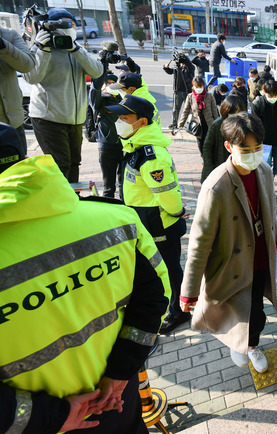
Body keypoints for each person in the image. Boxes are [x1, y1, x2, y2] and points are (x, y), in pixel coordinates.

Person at [0, 122, 170, 433]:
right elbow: (155, 296)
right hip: (117, 399)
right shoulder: (116, 220)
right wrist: (120, 374)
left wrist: (52, 416)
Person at [180, 113, 277, 374]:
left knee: (255, 312)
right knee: (242, 313)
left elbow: (271, 210)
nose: (253, 155)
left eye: (257, 148)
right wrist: (189, 290)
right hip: (231, 263)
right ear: (228, 147)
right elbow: (199, 242)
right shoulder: (216, 185)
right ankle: (244, 345)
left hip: (258, 258)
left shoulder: (265, 170)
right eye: (245, 149)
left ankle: (249, 344)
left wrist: (276, 239)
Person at [107, 95, 191, 335]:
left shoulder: (152, 156)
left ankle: (180, 312)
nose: (119, 122)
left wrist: (179, 212)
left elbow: (168, 194)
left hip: (160, 225)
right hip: (145, 222)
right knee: (156, 269)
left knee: (170, 269)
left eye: (125, 118)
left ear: (142, 122)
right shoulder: (135, 145)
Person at [24, 7, 103, 183]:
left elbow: (97, 71)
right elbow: (31, 77)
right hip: (48, 117)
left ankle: (72, 201)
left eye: (71, 23)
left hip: (74, 119)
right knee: (60, 164)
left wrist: (75, 49)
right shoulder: (41, 47)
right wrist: (42, 49)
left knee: (74, 163)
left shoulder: (77, 48)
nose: (69, 26)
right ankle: (59, 203)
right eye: (62, 23)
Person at [0, 23, 35, 153]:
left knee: (19, 171)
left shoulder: (9, 35)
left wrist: (3, 46)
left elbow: (28, 65)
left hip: (13, 125)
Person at [250, 79, 277, 176]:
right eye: (271, 95)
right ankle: (268, 183)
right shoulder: (257, 103)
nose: (273, 98)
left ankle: (271, 177)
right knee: (265, 167)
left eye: (276, 95)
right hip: (264, 142)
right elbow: (254, 124)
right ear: (264, 92)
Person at [89, 69, 123, 198]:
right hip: (106, 147)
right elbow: (94, 90)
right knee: (108, 186)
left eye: (112, 83)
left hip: (124, 145)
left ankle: (123, 211)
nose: (109, 86)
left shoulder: (122, 99)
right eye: (107, 83)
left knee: (124, 184)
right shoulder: (99, 101)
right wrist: (101, 69)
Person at [201, 95, 246, 182]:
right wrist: (209, 171)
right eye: (232, 113)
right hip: (219, 168)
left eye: (238, 113)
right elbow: (207, 148)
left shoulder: (244, 125)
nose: (235, 116)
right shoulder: (217, 125)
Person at [178, 76, 219, 156]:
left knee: (208, 142)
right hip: (197, 125)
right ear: (193, 86)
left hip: (209, 123)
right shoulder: (190, 97)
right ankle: (203, 157)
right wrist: (181, 124)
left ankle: (208, 157)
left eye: (200, 86)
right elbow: (185, 111)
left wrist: (217, 124)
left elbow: (214, 111)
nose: (198, 88)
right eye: (196, 86)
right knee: (200, 143)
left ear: (203, 85)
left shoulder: (209, 96)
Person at [163, 53, 195, 129]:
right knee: (176, 109)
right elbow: (170, 72)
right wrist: (165, 67)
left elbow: (189, 64)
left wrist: (185, 57)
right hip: (178, 91)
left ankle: (190, 125)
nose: (180, 63)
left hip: (188, 92)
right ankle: (174, 124)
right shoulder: (176, 68)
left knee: (189, 110)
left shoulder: (189, 68)